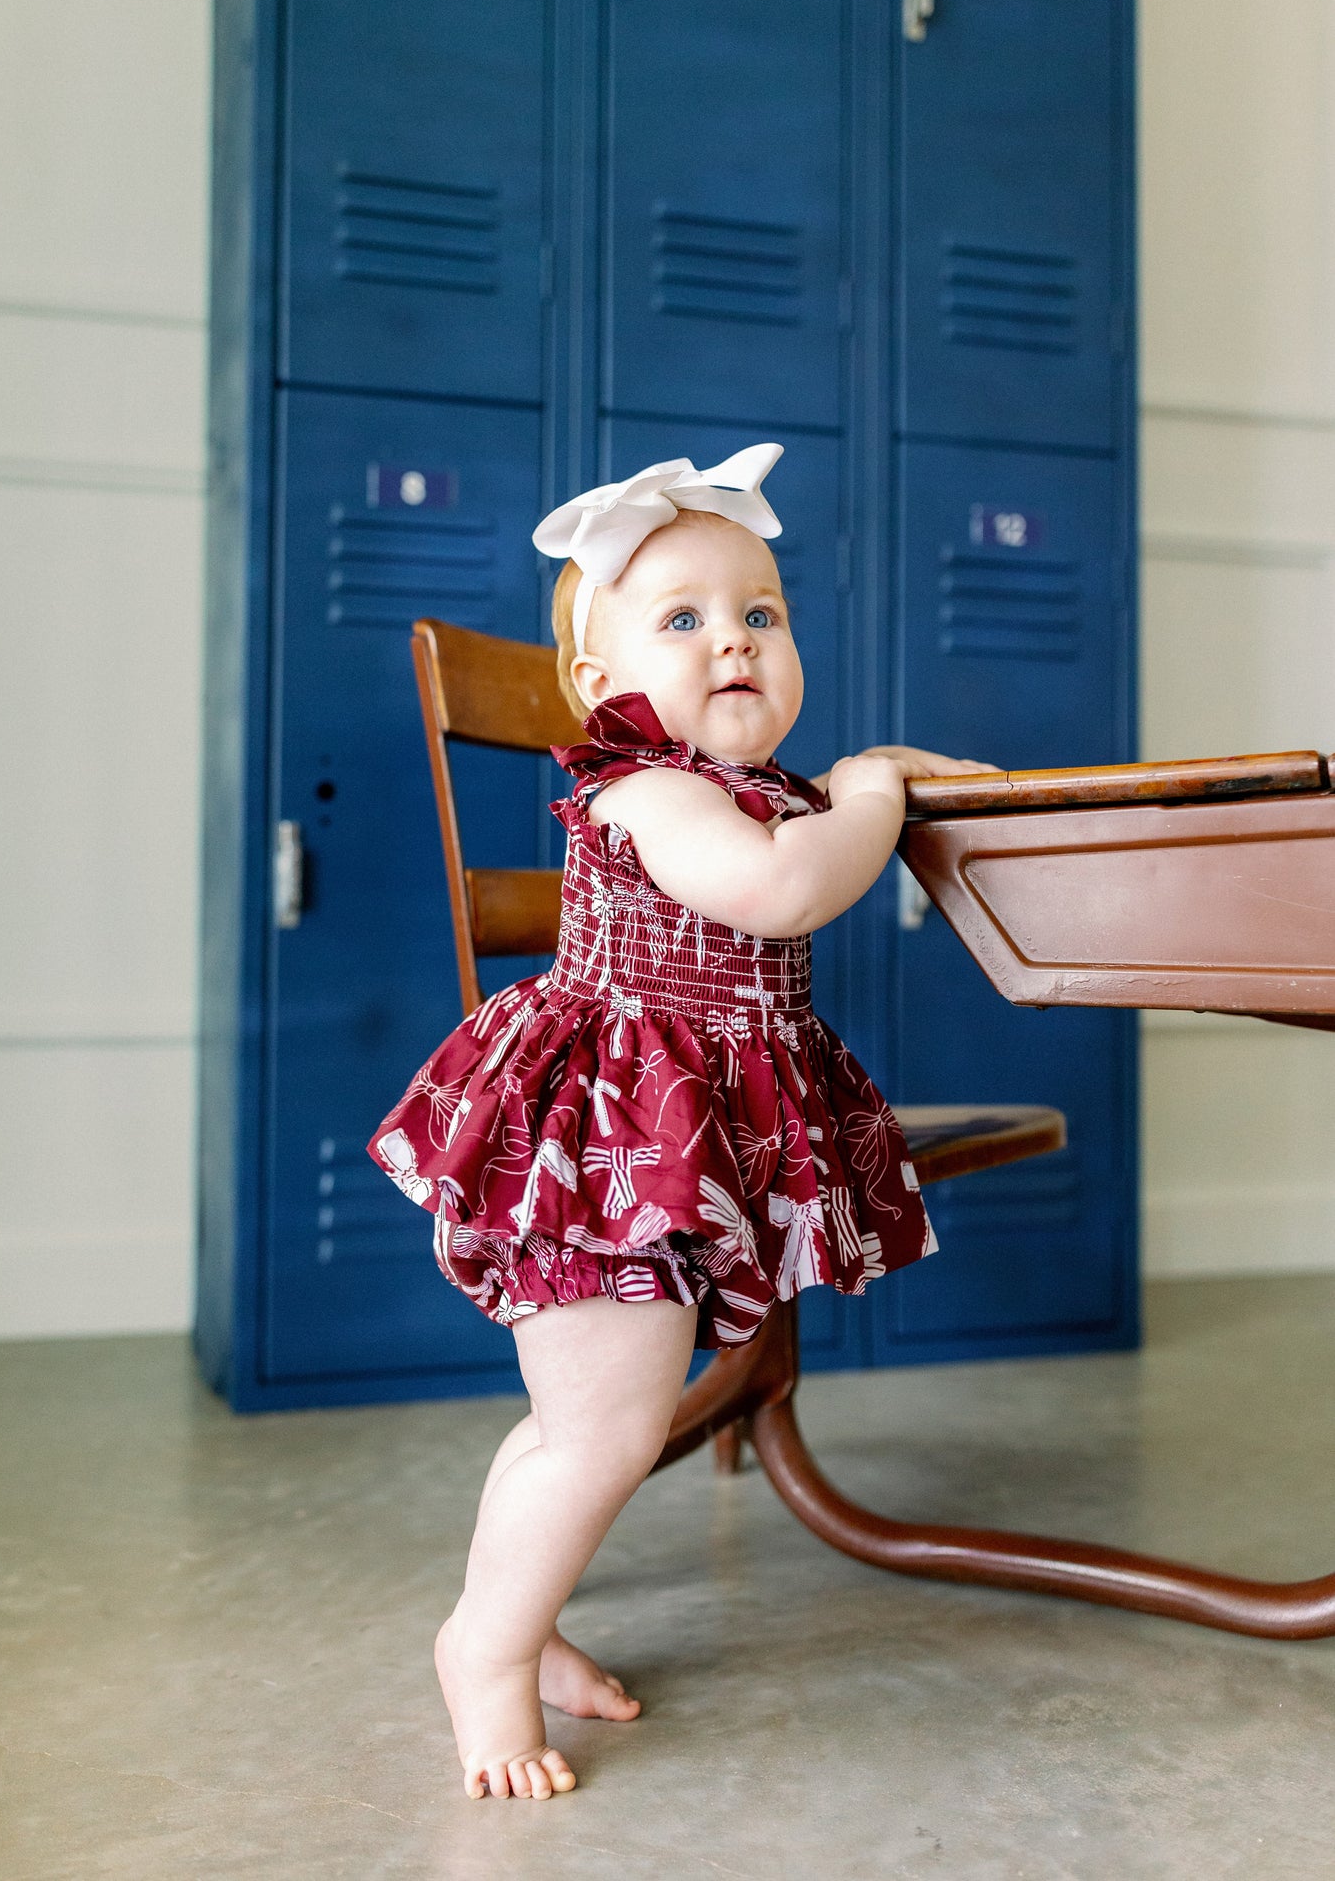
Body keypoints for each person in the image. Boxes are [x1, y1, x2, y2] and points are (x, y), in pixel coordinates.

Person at [368, 445, 994, 1801]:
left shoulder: (763, 788)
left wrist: (894, 775)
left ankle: (515, 1626)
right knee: (599, 1428)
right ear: (602, 689)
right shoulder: (644, 788)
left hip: (676, 1143)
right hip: (609, 1148)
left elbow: (822, 828)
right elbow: (774, 892)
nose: (734, 642)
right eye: (683, 620)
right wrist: (873, 797)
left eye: (759, 613)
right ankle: (482, 1652)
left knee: (575, 1420)